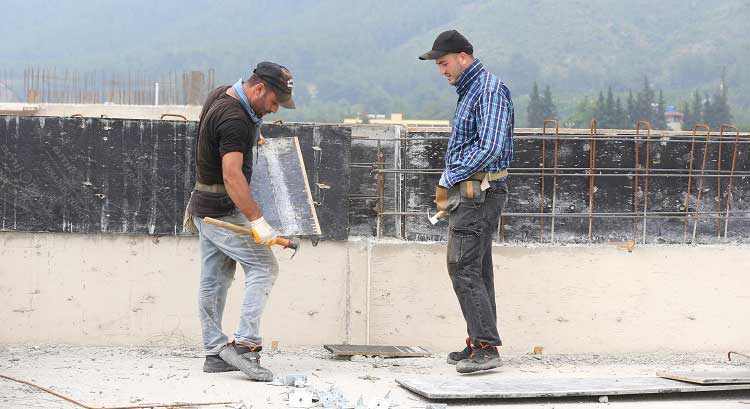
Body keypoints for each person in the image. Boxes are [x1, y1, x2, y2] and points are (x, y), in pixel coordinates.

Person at [187, 61, 295, 381]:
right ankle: (245, 345)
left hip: (203, 205)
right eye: (274, 102)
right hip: (221, 208)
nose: (275, 110)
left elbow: (219, 144)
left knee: (214, 279)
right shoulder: (235, 119)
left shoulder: (222, 96)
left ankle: (214, 352)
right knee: (265, 268)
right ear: (258, 88)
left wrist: (248, 142)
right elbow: (232, 175)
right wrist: (257, 222)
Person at [419, 30, 514, 373]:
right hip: (476, 191)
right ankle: (479, 341)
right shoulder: (472, 90)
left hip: (479, 192)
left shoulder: (486, 90)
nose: (441, 70)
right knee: (475, 266)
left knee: (461, 265)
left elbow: (488, 147)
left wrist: (449, 176)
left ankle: (486, 348)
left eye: (444, 63)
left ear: (463, 57)